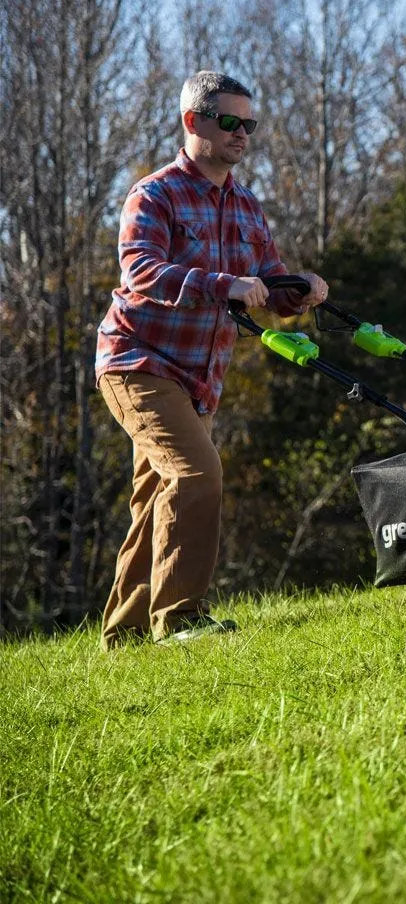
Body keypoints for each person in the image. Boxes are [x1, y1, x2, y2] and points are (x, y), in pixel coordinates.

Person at [94, 70, 328, 650]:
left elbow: (267, 284)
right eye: (230, 123)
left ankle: (123, 637)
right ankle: (180, 618)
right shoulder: (154, 195)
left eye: (249, 124)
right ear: (193, 122)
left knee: (157, 498)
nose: (242, 134)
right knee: (198, 474)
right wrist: (225, 283)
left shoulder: (247, 206)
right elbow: (141, 272)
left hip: (201, 379)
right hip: (137, 362)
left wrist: (298, 290)